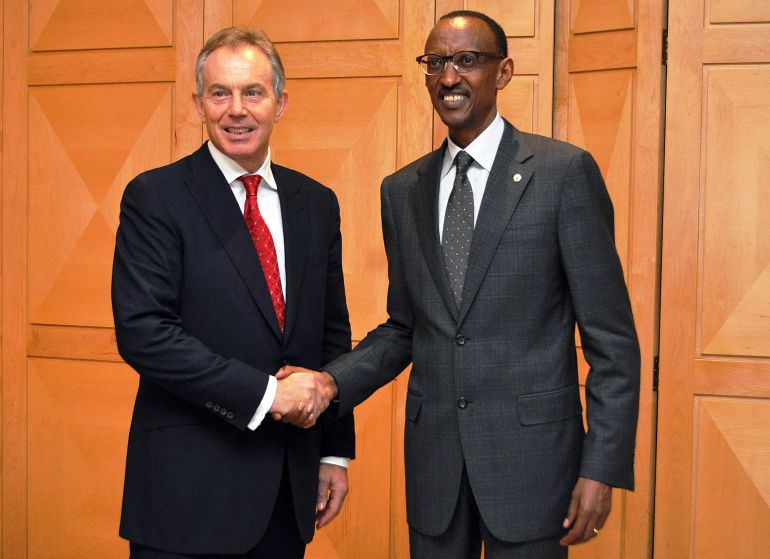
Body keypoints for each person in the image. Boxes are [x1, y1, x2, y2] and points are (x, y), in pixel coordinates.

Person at [280, 10, 640, 559]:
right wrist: (330, 383)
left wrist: (602, 466)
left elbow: (611, 340)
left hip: (535, 466)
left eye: (467, 61)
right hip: (436, 467)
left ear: (504, 71)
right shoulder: (401, 191)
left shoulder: (563, 173)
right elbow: (405, 328)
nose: (449, 77)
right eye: (437, 62)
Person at [111, 27, 350, 559]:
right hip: (185, 500)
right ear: (199, 103)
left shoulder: (317, 202)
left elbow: (331, 334)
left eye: (253, 93)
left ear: (280, 103)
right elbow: (144, 334)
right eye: (220, 93)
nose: (236, 110)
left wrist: (334, 453)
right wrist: (268, 395)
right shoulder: (155, 196)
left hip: (288, 494)